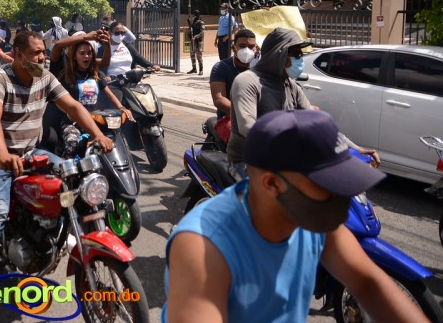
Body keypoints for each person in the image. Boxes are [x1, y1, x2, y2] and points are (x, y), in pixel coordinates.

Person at [163, 110, 426, 323]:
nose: (342, 198)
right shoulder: (203, 247)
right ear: (272, 184)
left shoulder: (315, 222)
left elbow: (369, 284)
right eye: (328, 185)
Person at [0, 31, 114, 322]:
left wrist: (98, 134)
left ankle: (64, 234)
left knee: (75, 181)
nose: (42, 57)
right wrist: (2, 153)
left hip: (30, 152)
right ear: (18, 53)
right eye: (36, 52)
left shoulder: (45, 78)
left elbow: (73, 106)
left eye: (43, 52)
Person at [227, 28, 379, 180]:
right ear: (279, 54)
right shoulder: (247, 81)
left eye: (301, 54)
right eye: (296, 55)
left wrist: (355, 149)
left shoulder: (291, 85)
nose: (300, 59)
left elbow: (317, 123)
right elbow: (248, 127)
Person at [53, 34, 132, 157]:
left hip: (95, 121)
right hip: (72, 122)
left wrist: (122, 108)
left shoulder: (95, 74)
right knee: (72, 147)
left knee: (115, 142)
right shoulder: (66, 76)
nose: (86, 56)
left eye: (89, 53)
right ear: (74, 57)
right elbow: (58, 101)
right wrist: (69, 113)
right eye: (82, 53)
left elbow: (109, 94)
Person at [208, 28, 257, 145]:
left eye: (251, 47)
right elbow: (219, 99)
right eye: (242, 46)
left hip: (258, 119)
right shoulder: (221, 67)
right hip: (229, 118)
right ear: (234, 48)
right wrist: (245, 114)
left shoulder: (260, 69)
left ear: (256, 48)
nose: (247, 50)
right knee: (246, 143)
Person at [187, 9, 205, 75]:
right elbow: (191, 30)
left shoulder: (201, 22)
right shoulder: (193, 23)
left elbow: (202, 33)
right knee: (192, 55)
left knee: (199, 56)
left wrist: (195, 37)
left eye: (194, 15)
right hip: (193, 41)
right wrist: (189, 23)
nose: (193, 17)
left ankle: (201, 70)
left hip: (198, 42)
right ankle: (194, 68)